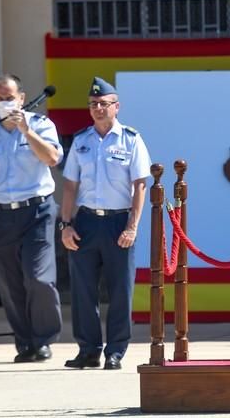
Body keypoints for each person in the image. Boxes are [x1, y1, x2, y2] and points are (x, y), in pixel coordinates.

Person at [0, 74, 63, 363]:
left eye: (9, 97)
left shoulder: (41, 125)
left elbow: (53, 159)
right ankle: (25, 342)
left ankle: (43, 339)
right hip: (1, 215)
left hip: (37, 211)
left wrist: (26, 131)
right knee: (10, 282)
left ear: (22, 97)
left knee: (38, 278)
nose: (4, 102)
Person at [60, 77, 151, 370]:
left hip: (118, 223)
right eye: (93, 104)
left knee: (120, 290)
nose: (98, 108)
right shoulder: (82, 140)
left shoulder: (131, 139)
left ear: (116, 107)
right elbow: (70, 186)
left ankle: (116, 350)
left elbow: (140, 186)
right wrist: (66, 225)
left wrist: (132, 226)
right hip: (86, 221)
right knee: (83, 290)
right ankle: (88, 350)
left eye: (103, 103)